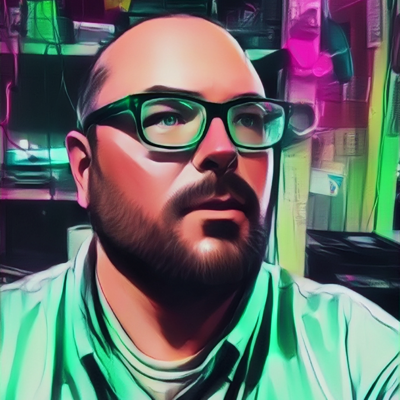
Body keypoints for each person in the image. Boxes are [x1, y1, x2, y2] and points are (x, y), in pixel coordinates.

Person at [0, 13, 399, 400]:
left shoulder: (354, 355)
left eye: (248, 119)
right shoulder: (9, 341)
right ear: (85, 169)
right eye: (168, 117)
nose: (224, 149)